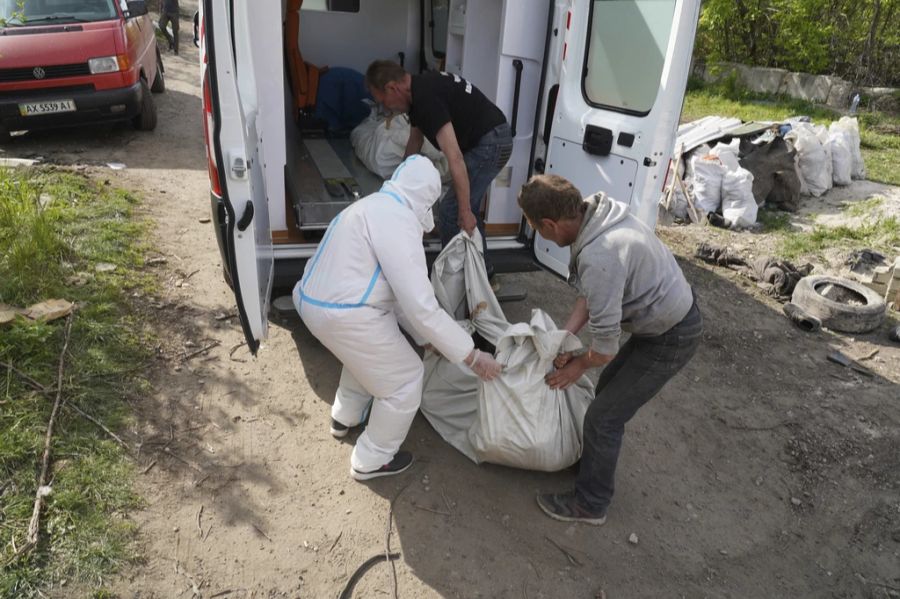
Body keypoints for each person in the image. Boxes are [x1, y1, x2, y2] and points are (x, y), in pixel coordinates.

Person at [293, 155, 502, 481]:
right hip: (345, 313)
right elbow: (421, 307)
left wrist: (425, 338)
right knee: (404, 378)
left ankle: (344, 416)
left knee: (369, 355)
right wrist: (472, 356)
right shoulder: (399, 221)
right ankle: (372, 459)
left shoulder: (371, 205)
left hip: (312, 300)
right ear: (425, 198)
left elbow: (400, 299)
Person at [517, 175, 703, 525]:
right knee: (606, 395)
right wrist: (566, 334)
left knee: (604, 417)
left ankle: (591, 504)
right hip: (661, 319)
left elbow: (604, 350)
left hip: (672, 334)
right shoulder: (595, 216)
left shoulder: (600, 255)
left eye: (537, 231)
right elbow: (592, 295)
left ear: (549, 224)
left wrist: (578, 365)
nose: (542, 238)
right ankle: (592, 466)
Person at [365, 60, 512, 276]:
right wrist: (396, 187)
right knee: (463, 207)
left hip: (492, 143)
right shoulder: (418, 93)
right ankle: (482, 273)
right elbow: (413, 143)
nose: (387, 108)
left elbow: (455, 158)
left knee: (452, 210)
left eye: (384, 102)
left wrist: (464, 211)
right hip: (491, 138)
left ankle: (456, 279)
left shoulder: (426, 99)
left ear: (392, 88)